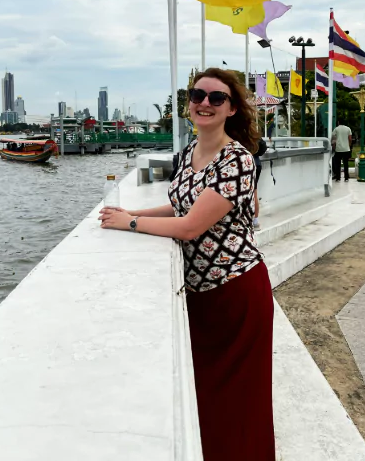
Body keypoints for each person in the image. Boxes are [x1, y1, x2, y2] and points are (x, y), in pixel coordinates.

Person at [99, 68, 274, 460]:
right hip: (200, 294)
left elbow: (192, 226)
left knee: (239, 400)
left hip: (236, 292)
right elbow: (181, 205)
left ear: (231, 109)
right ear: (187, 104)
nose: (204, 103)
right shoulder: (191, 154)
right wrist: (133, 210)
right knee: (206, 395)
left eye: (216, 98)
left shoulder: (238, 160)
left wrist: (130, 223)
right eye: (198, 95)